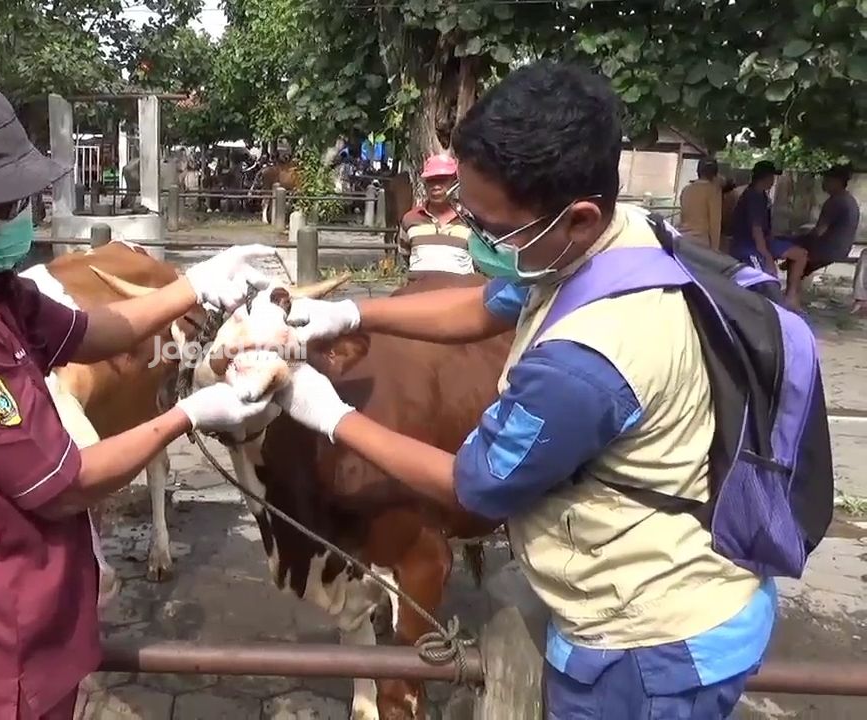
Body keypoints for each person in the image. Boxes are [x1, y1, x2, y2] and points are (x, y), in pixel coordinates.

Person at [276, 62, 774, 718]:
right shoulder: (612, 243)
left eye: (492, 227)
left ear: (576, 215)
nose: (477, 238)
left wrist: (330, 414)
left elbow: (472, 484)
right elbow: (485, 306)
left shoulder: (585, 362)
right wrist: (356, 313)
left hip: (650, 643)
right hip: (655, 588)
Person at [0, 81, 275, 720]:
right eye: (5, 200)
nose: (23, 213)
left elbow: (86, 331)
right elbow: (66, 482)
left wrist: (194, 285)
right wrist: (188, 415)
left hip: (13, 612)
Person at [729, 160, 809, 307]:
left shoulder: (762, 196)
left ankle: (790, 297)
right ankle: (770, 306)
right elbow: (756, 229)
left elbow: (764, 228)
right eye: (772, 177)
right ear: (765, 177)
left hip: (763, 242)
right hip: (749, 247)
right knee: (768, 280)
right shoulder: (753, 196)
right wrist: (767, 256)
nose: (773, 181)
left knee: (800, 254)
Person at [395, 151, 473, 278]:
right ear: (425, 184)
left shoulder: (470, 220)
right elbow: (405, 256)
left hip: (459, 295)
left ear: (455, 182)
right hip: (418, 294)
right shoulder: (410, 219)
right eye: (431, 181)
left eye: (442, 180)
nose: (436, 186)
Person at [798, 164, 861, 297]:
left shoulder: (835, 202)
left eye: (827, 179)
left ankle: (792, 293)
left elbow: (819, 231)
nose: (823, 182)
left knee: (792, 251)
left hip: (829, 250)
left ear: (837, 182)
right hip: (842, 248)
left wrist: (800, 239)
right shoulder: (849, 200)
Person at [677, 157, 723, 250]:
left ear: (698, 171)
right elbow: (715, 223)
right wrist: (715, 250)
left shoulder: (686, 189)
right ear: (715, 174)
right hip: (700, 243)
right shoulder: (713, 191)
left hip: (682, 238)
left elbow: (683, 216)